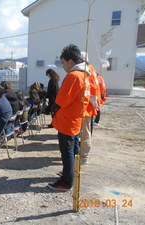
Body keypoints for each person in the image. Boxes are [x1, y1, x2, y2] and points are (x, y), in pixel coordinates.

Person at [47, 44, 90, 191]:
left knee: (67, 151)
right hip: (75, 118)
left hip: (68, 120)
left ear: (71, 62)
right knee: (74, 148)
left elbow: (63, 99)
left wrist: (53, 107)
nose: (63, 67)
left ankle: (66, 181)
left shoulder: (73, 76)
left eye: (63, 63)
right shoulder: (85, 74)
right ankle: (73, 173)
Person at [79, 52, 100, 165]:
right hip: (89, 105)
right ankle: (83, 155)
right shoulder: (92, 69)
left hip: (86, 106)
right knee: (86, 131)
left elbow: (91, 90)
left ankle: (84, 156)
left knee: (85, 132)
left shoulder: (86, 70)